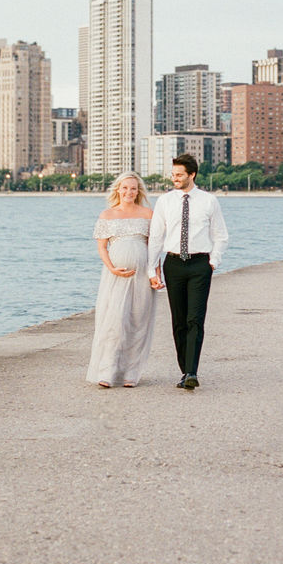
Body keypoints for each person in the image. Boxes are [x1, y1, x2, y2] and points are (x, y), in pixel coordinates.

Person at [148, 153, 228, 390]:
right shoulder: (164, 201)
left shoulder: (209, 201)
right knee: (178, 321)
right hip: (173, 265)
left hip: (199, 266)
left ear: (192, 175)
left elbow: (220, 235)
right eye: (173, 174)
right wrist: (151, 270)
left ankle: (192, 371)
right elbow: (156, 237)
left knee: (195, 319)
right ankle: (185, 370)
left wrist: (213, 261)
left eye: (179, 175)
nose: (175, 178)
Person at [86, 172, 161, 388]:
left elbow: (154, 248)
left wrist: (156, 274)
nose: (129, 192)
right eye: (125, 188)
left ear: (139, 192)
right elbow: (101, 247)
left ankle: (131, 372)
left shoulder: (148, 214)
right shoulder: (107, 215)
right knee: (114, 322)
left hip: (142, 275)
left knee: (138, 322)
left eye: (134, 188)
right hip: (115, 276)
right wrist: (112, 268)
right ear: (118, 189)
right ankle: (107, 371)